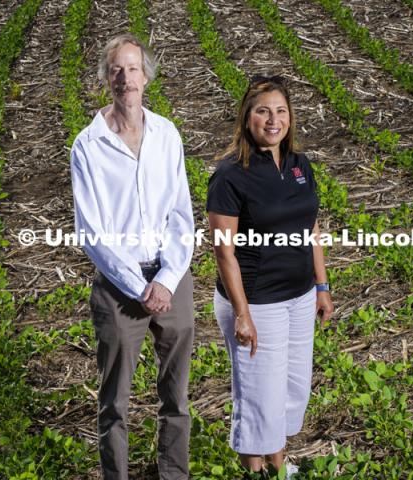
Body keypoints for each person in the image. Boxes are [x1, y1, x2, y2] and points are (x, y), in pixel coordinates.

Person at [70, 33, 194, 480]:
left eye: (133, 69)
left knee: (176, 396)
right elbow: (93, 233)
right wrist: (140, 286)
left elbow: (181, 214)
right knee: (114, 403)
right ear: (107, 78)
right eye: (117, 70)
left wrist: (166, 278)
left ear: (146, 77)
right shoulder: (88, 145)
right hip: (120, 290)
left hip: (171, 279)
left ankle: (173, 474)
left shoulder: (166, 134)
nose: (126, 78)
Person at [206, 75, 334, 479]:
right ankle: (256, 470)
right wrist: (242, 313)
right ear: (247, 119)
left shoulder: (300, 166)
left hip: (298, 296)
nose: (273, 119)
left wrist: (322, 285)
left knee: (292, 388)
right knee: (260, 392)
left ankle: (277, 463)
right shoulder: (230, 175)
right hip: (257, 300)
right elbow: (223, 249)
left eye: (280, 111)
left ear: (290, 118)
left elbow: (311, 229)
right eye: (263, 111)